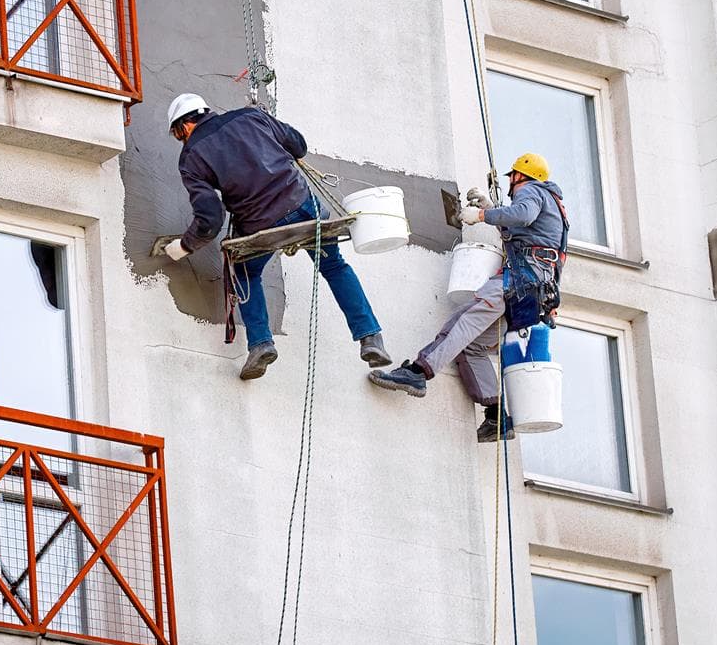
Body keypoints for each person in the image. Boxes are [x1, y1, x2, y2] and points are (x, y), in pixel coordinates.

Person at [157, 93, 389, 380]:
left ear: (183, 127)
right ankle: (371, 338)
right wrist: (265, 123)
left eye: (179, 135)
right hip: (303, 208)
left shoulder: (191, 157)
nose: (182, 140)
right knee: (334, 266)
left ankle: (261, 344)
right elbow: (298, 146)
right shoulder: (250, 116)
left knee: (243, 273)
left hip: (258, 225)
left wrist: (184, 246)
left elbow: (210, 219)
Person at [368, 152, 567, 442]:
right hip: (531, 293)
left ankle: (419, 372)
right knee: (473, 347)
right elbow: (520, 228)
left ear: (520, 176)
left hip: (517, 282)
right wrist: (489, 208)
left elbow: (521, 214)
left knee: (463, 322)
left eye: (512, 178)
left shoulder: (533, 191)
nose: (511, 184)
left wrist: (484, 215)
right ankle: (497, 415)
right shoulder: (552, 207)